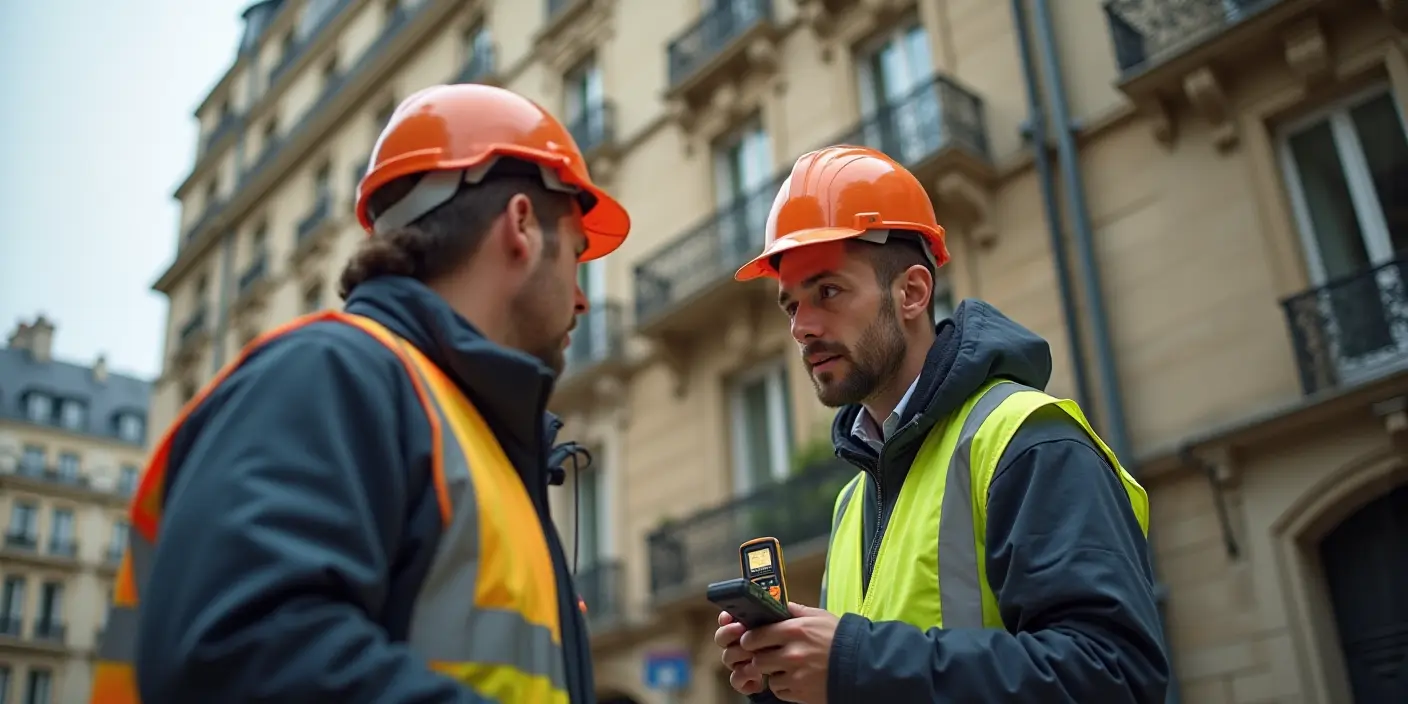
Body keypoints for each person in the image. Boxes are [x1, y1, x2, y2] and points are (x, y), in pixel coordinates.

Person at [88, 84, 631, 704]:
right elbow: (238, 656)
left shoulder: (466, 439)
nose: (582, 296)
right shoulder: (332, 374)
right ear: (522, 226)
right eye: (579, 255)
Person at [713, 145, 1170, 704]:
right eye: (791, 306)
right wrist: (790, 679)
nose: (802, 328)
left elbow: (1113, 676)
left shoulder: (1026, 440)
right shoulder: (853, 502)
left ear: (911, 292)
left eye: (827, 292)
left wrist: (856, 661)